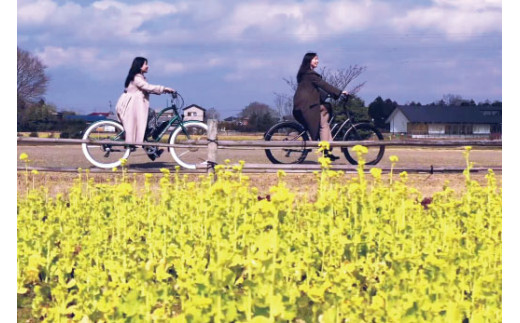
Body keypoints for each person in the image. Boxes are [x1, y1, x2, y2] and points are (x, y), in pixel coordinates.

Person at [115, 57, 175, 160]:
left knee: (144, 124)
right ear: (139, 66)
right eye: (145, 64)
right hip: (130, 106)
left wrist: (163, 91)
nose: (147, 66)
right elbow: (147, 87)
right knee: (149, 115)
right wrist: (164, 88)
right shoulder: (136, 77)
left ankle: (151, 151)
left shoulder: (139, 77)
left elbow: (148, 89)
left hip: (134, 105)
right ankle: (153, 139)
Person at [293, 52, 348, 160]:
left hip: (303, 105)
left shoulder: (304, 74)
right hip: (308, 106)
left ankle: (327, 148)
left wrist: (327, 95)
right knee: (324, 123)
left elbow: (312, 90)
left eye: (317, 59)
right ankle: (325, 150)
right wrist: (339, 92)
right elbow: (323, 85)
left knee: (325, 120)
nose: (317, 61)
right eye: (315, 59)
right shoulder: (310, 74)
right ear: (309, 60)